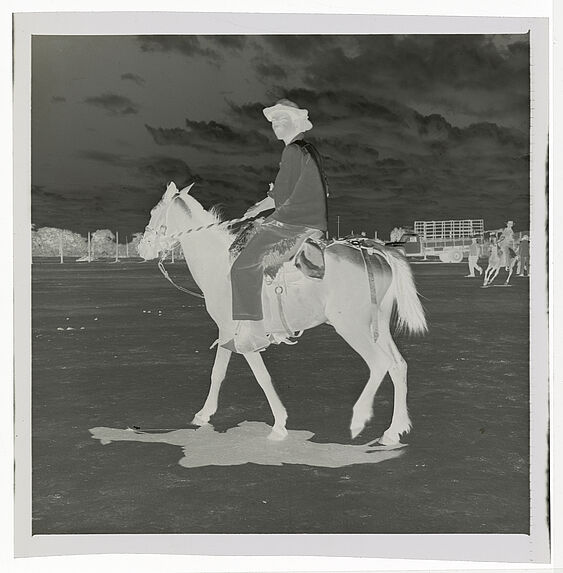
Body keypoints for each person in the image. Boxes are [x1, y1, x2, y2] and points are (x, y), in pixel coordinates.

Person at [222, 99, 328, 354]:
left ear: (295, 121)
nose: (276, 124)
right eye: (274, 121)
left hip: (294, 223)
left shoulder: (292, 150)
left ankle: (255, 334)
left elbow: (281, 194)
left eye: (282, 119)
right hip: (312, 221)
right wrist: (256, 209)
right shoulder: (307, 148)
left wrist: (263, 211)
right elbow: (283, 192)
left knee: (241, 264)